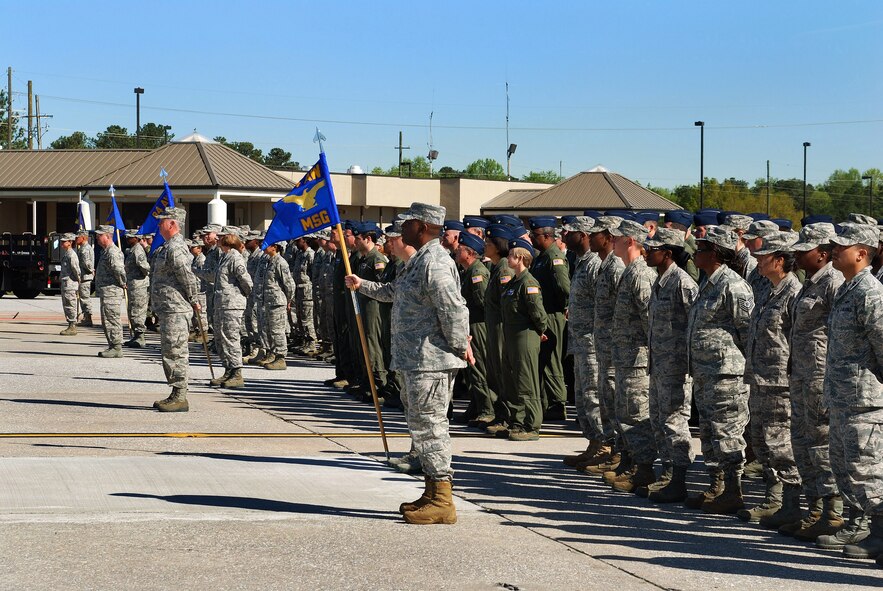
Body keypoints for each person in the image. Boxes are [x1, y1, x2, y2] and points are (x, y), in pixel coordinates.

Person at [347, 202, 471, 525]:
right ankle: (432, 491)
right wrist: (362, 285)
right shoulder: (417, 263)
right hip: (415, 361)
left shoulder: (435, 264)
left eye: (408, 224)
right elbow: (393, 293)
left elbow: (454, 309)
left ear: (422, 227)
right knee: (421, 427)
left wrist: (461, 346)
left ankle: (443, 499)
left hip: (430, 362)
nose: (401, 230)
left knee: (431, 426)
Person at [820, 222, 883, 560]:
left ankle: (881, 534)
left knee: (866, 469)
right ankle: (865, 527)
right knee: (846, 467)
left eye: (841, 246)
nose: (833, 250)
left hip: (865, 400)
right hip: (844, 396)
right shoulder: (847, 288)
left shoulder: (870, 292)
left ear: (862, 253)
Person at [685, 226, 754, 514]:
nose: (695, 253)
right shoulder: (709, 282)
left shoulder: (733, 286)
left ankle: (733, 490)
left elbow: (748, 333)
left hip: (726, 375)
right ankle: (716, 486)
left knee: (727, 434)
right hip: (706, 372)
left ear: (715, 254)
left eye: (701, 249)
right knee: (710, 433)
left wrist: (739, 369)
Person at [783, 222, 845, 541]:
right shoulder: (809, 283)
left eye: (803, 249)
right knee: (802, 441)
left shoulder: (833, 282)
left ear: (822, 253)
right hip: (801, 377)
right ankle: (814, 509)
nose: (796, 253)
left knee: (822, 441)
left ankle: (833, 512)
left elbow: (840, 333)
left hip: (821, 378)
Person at [739, 231, 803, 525]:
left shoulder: (794, 294)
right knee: (761, 441)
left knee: (781, 445)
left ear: (780, 260)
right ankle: (773, 498)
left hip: (780, 383)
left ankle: (789, 504)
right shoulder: (766, 290)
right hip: (759, 379)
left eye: (764, 257)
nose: (758, 261)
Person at [644, 228, 699, 503]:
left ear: (667, 253)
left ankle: (679, 479)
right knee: (658, 419)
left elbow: (694, 325)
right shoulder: (660, 280)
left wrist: (689, 365)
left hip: (677, 367)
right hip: (659, 365)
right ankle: (667, 473)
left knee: (675, 422)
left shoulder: (683, 283)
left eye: (652, 249)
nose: (646, 252)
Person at [606, 219, 658, 492]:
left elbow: (651, 320)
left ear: (630, 241)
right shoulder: (629, 272)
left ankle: (644, 468)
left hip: (638, 359)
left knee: (637, 414)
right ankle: (630, 462)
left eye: (616, 238)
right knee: (625, 413)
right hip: (626, 357)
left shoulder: (640, 275)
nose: (611, 241)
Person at [581, 216, 625, 475]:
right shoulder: (605, 265)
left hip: (614, 347)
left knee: (613, 399)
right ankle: (606, 448)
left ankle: (616, 453)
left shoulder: (616, 267)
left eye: (595, 233)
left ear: (608, 237)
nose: (589, 236)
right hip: (602, 344)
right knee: (605, 398)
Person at [560, 217, 605, 467]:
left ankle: (604, 445)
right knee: (582, 396)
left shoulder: (595, 264)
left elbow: (603, 304)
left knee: (593, 395)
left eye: (570, 232)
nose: (564, 235)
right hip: (579, 341)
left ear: (584, 235)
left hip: (592, 342)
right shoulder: (580, 262)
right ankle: (593, 443)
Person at [149, 207, 199, 412]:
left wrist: (194, 298)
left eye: (162, 221)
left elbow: (186, 275)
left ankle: (180, 396)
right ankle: (175, 392)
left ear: (172, 224)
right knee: (170, 350)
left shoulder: (176, 247)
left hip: (176, 308)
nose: (159, 224)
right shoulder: (167, 246)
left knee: (176, 351)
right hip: (168, 308)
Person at [500, 237, 548, 441]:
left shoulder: (528, 282)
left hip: (525, 336)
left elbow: (537, 312)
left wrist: (540, 330)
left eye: (511, 255)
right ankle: (517, 421)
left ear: (520, 258)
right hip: (511, 335)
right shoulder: (514, 282)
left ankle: (532, 425)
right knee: (515, 381)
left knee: (527, 381)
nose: (508, 258)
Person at [528, 216, 571, 421]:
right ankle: (547, 401)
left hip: (553, 314)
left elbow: (564, 287)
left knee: (552, 360)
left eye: (534, 234)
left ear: (546, 236)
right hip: (544, 314)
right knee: (543, 360)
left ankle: (557, 402)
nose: (530, 237)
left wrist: (563, 307)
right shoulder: (542, 256)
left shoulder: (555, 257)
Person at [456, 231, 493, 427]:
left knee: (478, 367)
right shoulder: (467, 271)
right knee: (470, 371)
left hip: (478, 325)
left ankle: (486, 409)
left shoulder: (477, 272)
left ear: (469, 252)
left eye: (460, 248)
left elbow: (482, 302)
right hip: (469, 324)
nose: (456, 250)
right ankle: (476, 405)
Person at [209, 228, 253, 389]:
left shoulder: (235, 258)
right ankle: (228, 369)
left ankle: (237, 373)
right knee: (221, 339)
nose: (218, 239)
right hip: (222, 304)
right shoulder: (224, 257)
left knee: (231, 338)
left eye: (221, 237)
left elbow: (247, 282)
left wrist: (239, 297)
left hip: (232, 305)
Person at [258, 240, 295, 370]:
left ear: (275, 247)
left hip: (277, 302)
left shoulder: (280, 262)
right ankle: (271, 354)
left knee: (277, 330)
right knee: (267, 329)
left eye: (266, 244)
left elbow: (289, 284)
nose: (263, 246)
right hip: (267, 301)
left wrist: (289, 300)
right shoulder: (268, 261)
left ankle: (280, 358)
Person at [92, 225, 127, 358]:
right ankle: (112, 345)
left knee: (112, 319)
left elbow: (119, 270)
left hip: (112, 292)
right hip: (106, 292)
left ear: (107, 236)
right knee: (107, 319)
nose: (97, 238)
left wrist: (123, 282)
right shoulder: (105, 251)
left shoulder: (113, 252)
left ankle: (116, 347)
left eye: (99, 235)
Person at [123, 230, 150, 348]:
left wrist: (141, 277)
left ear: (136, 238)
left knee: (137, 311)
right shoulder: (133, 250)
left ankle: (140, 337)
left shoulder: (138, 250)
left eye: (131, 237)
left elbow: (144, 267)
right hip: (133, 285)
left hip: (139, 286)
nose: (128, 239)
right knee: (132, 310)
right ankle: (136, 335)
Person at [59, 233, 81, 336]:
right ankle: (70, 324)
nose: (62, 243)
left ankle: (72, 326)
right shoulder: (67, 254)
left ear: (70, 242)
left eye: (64, 241)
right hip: (66, 283)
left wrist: (78, 280)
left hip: (70, 284)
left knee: (71, 304)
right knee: (66, 304)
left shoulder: (72, 254)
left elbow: (76, 269)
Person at [75, 229, 95, 327]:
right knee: (83, 298)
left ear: (83, 237)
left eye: (77, 237)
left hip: (85, 277)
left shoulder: (85, 249)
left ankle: (88, 318)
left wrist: (90, 270)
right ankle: (86, 316)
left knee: (85, 298)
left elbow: (87, 263)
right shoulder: (83, 247)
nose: (76, 239)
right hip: (83, 276)